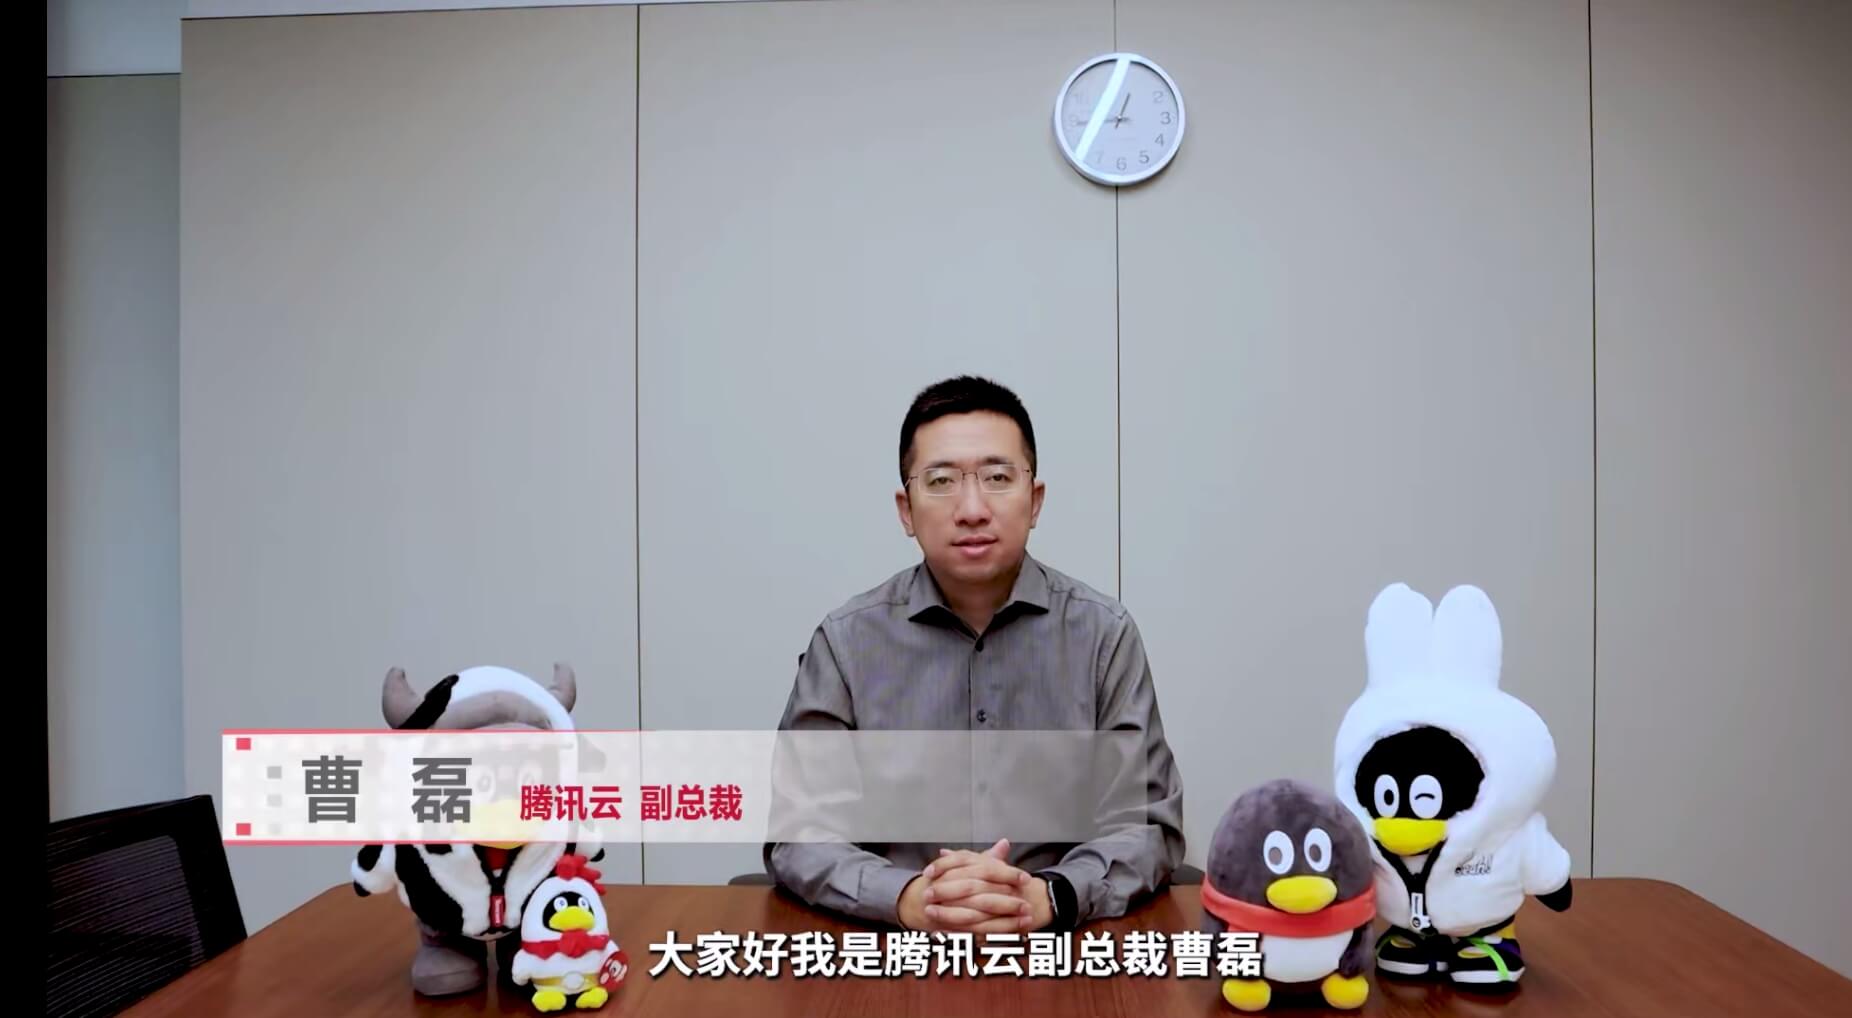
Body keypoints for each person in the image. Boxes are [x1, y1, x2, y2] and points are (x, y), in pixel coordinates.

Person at [763, 375, 1185, 933]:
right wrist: (907, 896)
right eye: (941, 481)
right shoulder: (846, 643)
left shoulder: (1104, 636)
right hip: (889, 947)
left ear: (1035, 501)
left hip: (1063, 946)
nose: (971, 508)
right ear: (906, 510)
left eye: (997, 478)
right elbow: (799, 831)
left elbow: (1147, 823)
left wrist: (1050, 896)